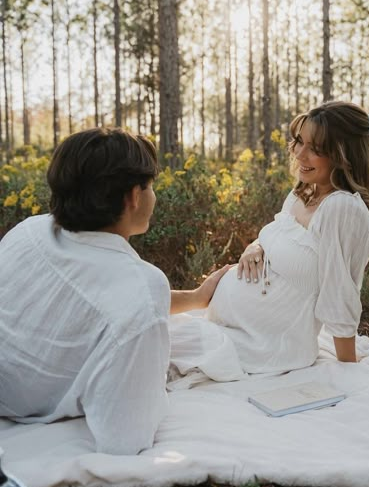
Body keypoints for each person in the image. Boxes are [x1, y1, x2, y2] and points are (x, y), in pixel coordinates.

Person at [0, 127, 230, 456]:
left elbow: (92, 298)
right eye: (150, 186)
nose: (154, 196)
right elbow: (125, 436)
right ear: (132, 197)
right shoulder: (139, 286)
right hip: (23, 405)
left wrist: (195, 297)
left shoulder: (30, 230)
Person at [169, 100, 369, 383]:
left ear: (343, 155)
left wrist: (347, 368)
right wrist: (255, 246)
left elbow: (340, 291)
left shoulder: (341, 208)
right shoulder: (303, 194)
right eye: (299, 142)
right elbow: (279, 236)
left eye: (316, 149)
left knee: (150, 339)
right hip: (231, 323)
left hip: (266, 345)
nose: (300, 154)